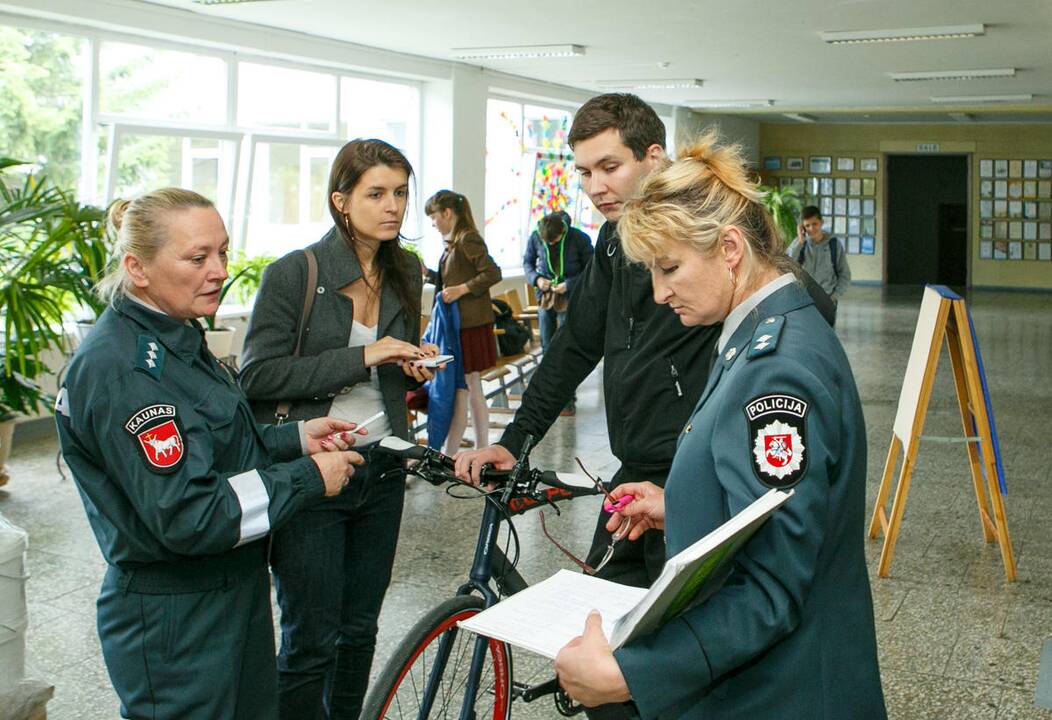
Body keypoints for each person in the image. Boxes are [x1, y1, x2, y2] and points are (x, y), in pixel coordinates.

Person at [554, 134, 886, 719]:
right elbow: (764, 514)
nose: (659, 293)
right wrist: (680, 503)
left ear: (730, 247)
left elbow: (770, 589)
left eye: (670, 268)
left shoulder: (775, 373)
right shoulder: (763, 334)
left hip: (782, 694)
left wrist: (630, 673)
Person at [54, 188, 364, 720]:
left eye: (223, 252)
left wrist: (294, 440)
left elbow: (215, 449)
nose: (219, 270)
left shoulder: (177, 334)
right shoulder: (126, 370)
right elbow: (192, 514)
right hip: (178, 618)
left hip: (229, 592)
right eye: (198, 258)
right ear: (138, 268)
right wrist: (309, 478)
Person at [455, 93, 719, 594]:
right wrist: (518, 440)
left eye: (610, 167)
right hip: (635, 468)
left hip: (692, 477)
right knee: (594, 623)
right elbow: (576, 343)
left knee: (681, 650)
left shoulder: (703, 233)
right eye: (583, 172)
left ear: (654, 157)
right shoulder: (615, 239)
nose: (595, 188)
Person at [239, 139, 437, 720]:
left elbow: (385, 371)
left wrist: (410, 362)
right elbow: (257, 376)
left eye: (400, 192)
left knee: (359, 630)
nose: (393, 206)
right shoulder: (294, 273)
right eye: (376, 193)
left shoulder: (405, 268)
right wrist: (366, 355)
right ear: (341, 200)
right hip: (314, 467)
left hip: (383, 464)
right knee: (310, 637)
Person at [424, 190, 502, 455]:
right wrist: (428, 274)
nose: (433, 223)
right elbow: (452, 278)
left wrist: (462, 289)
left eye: (434, 217)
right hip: (463, 325)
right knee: (468, 388)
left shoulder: (468, 239)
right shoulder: (455, 242)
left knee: (467, 388)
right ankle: (470, 448)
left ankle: (468, 449)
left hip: (471, 325)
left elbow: (492, 272)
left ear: (447, 213)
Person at [523, 210, 594, 350]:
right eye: (547, 242)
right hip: (546, 292)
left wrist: (569, 284)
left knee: (566, 331)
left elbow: (592, 268)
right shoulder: (536, 237)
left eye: (554, 240)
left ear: (562, 231)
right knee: (545, 331)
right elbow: (527, 263)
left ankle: (566, 363)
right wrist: (537, 279)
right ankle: (547, 363)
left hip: (571, 292)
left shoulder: (579, 238)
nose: (550, 244)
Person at [787, 205, 851, 322]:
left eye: (815, 224)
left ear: (821, 223)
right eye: (807, 225)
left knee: (827, 336)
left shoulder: (834, 245)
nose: (811, 228)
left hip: (827, 300)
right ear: (802, 227)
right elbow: (787, 266)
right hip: (804, 301)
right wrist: (800, 241)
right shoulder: (799, 244)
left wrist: (834, 297)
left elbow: (845, 274)